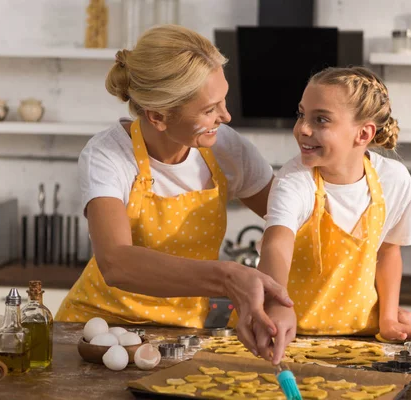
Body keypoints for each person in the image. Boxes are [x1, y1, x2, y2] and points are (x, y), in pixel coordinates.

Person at [55, 25, 294, 334]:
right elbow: (116, 263)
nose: (226, 116)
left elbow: (291, 221)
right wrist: (226, 276)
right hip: (96, 329)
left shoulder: (225, 147)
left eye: (223, 100)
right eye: (209, 109)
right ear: (159, 116)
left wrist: (277, 301)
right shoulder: (108, 154)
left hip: (180, 335)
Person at [243, 67, 411, 364]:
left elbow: (388, 252)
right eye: (301, 114)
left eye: (320, 119)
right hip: (287, 338)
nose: (303, 129)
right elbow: (276, 244)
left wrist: (387, 318)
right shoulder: (295, 179)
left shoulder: (393, 180)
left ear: (364, 133)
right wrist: (277, 305)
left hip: (359, 340)